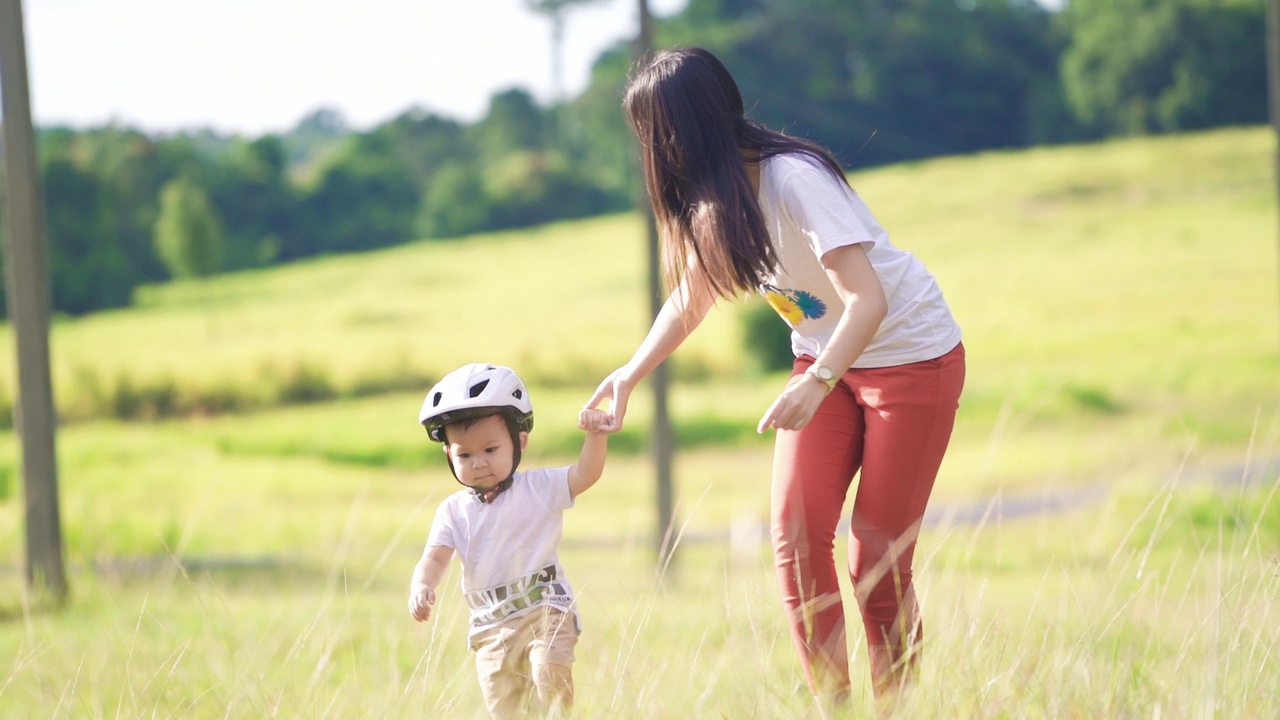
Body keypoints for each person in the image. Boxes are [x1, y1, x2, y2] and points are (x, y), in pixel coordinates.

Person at [584, 47, 965, 704]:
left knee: (874, 556)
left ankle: (901, 707)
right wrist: (629, 373)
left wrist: (816, 383)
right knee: (793, 534)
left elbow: (867, 301)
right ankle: (834, 707)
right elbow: (692, 296)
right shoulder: (716, 202)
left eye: (652, 135)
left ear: (682, 131)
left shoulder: (794, 179)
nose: (652, 153)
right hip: (826, 361)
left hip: (909, 356)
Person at [409, 362, 611, 718]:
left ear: (520, 442)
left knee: (548, 670)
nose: (479, 463)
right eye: (465, 455)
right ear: (448, 455)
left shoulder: (539, 489)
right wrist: (422, 585)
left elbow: (585, 474)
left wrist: (596, 435)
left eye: (490, 449)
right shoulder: (453, 511)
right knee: (507, 711)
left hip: (546, 609)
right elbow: (436, 557)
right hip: (490, 629)